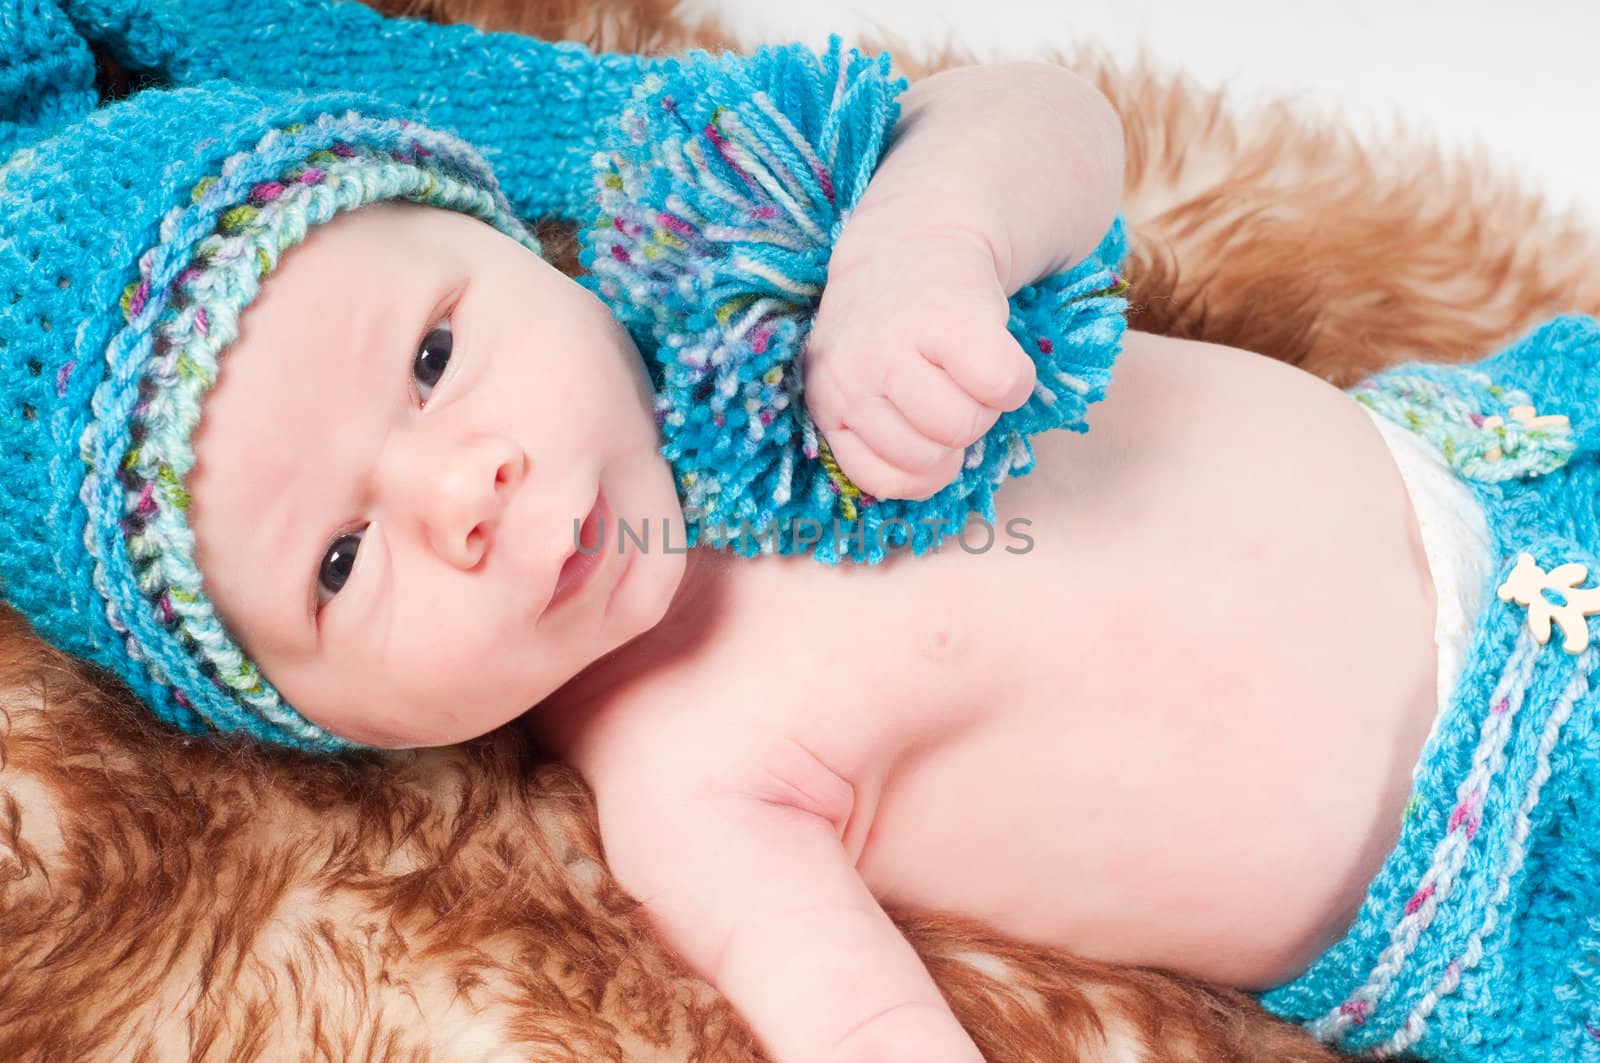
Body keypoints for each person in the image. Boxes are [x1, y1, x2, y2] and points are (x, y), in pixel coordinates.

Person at [2, 3, 1594, 1062]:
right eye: (343, 563)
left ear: (521, 242)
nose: (458, 493)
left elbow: (1042, 118)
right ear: (304, 726)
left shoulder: (756, 269)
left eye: (432, 359)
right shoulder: (680, 778)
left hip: (1506, 469)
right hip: (1502, 847)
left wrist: (934, 237)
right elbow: (859, 1020)